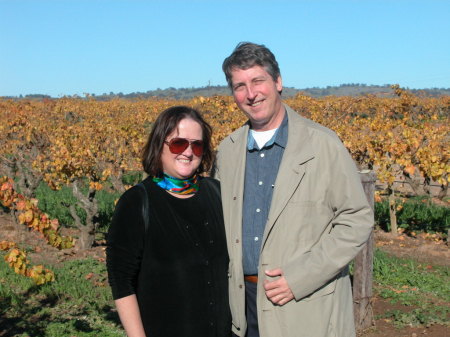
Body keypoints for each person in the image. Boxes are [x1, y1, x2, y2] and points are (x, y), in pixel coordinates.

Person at [213, 42, 374, 337]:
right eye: (240, 86)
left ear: (278, 81)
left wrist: (300, 278)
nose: (251, 94)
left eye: (258, 81)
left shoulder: (323, 144)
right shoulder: (228, 151)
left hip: (306, 305)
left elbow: (356, 219)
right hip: (242, 307)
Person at [107, 106, 231, 337]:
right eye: (178, 143)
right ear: (159, 145)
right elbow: (121, 281)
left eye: (197, 145)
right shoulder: (136, 202)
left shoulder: (216, 193)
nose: (188, 152)